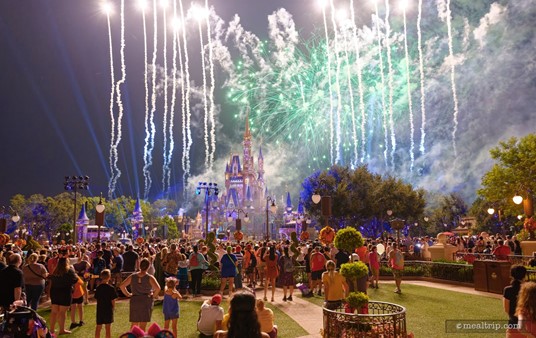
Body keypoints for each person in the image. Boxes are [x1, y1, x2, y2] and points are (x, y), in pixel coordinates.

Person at [120, 258, 161, 331]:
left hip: (135, 300)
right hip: (146, 300)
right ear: (148, 267)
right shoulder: (150, 277)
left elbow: (122, 286)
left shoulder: (133, 276)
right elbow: (158, 288)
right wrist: (153, 296)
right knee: (143, 325)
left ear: (139, 266)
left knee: (134, 325)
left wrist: (128, 294)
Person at [49, 255, 79, 335]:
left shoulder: (55, 271)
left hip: (54, 291)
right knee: (62, 312)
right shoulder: (69, 270)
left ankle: (51, 330)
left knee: (54, 311)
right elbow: (75, 280)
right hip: (65, 292)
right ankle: (61, 330)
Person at [94, 269, 118, 338]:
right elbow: (113, 300)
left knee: (98, 327)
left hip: (100, 309)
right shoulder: (111, 288)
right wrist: (113, 307)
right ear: (109, 277)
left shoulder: (98, 288)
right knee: (108, 328)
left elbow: (96, 298)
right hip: (108, 309)